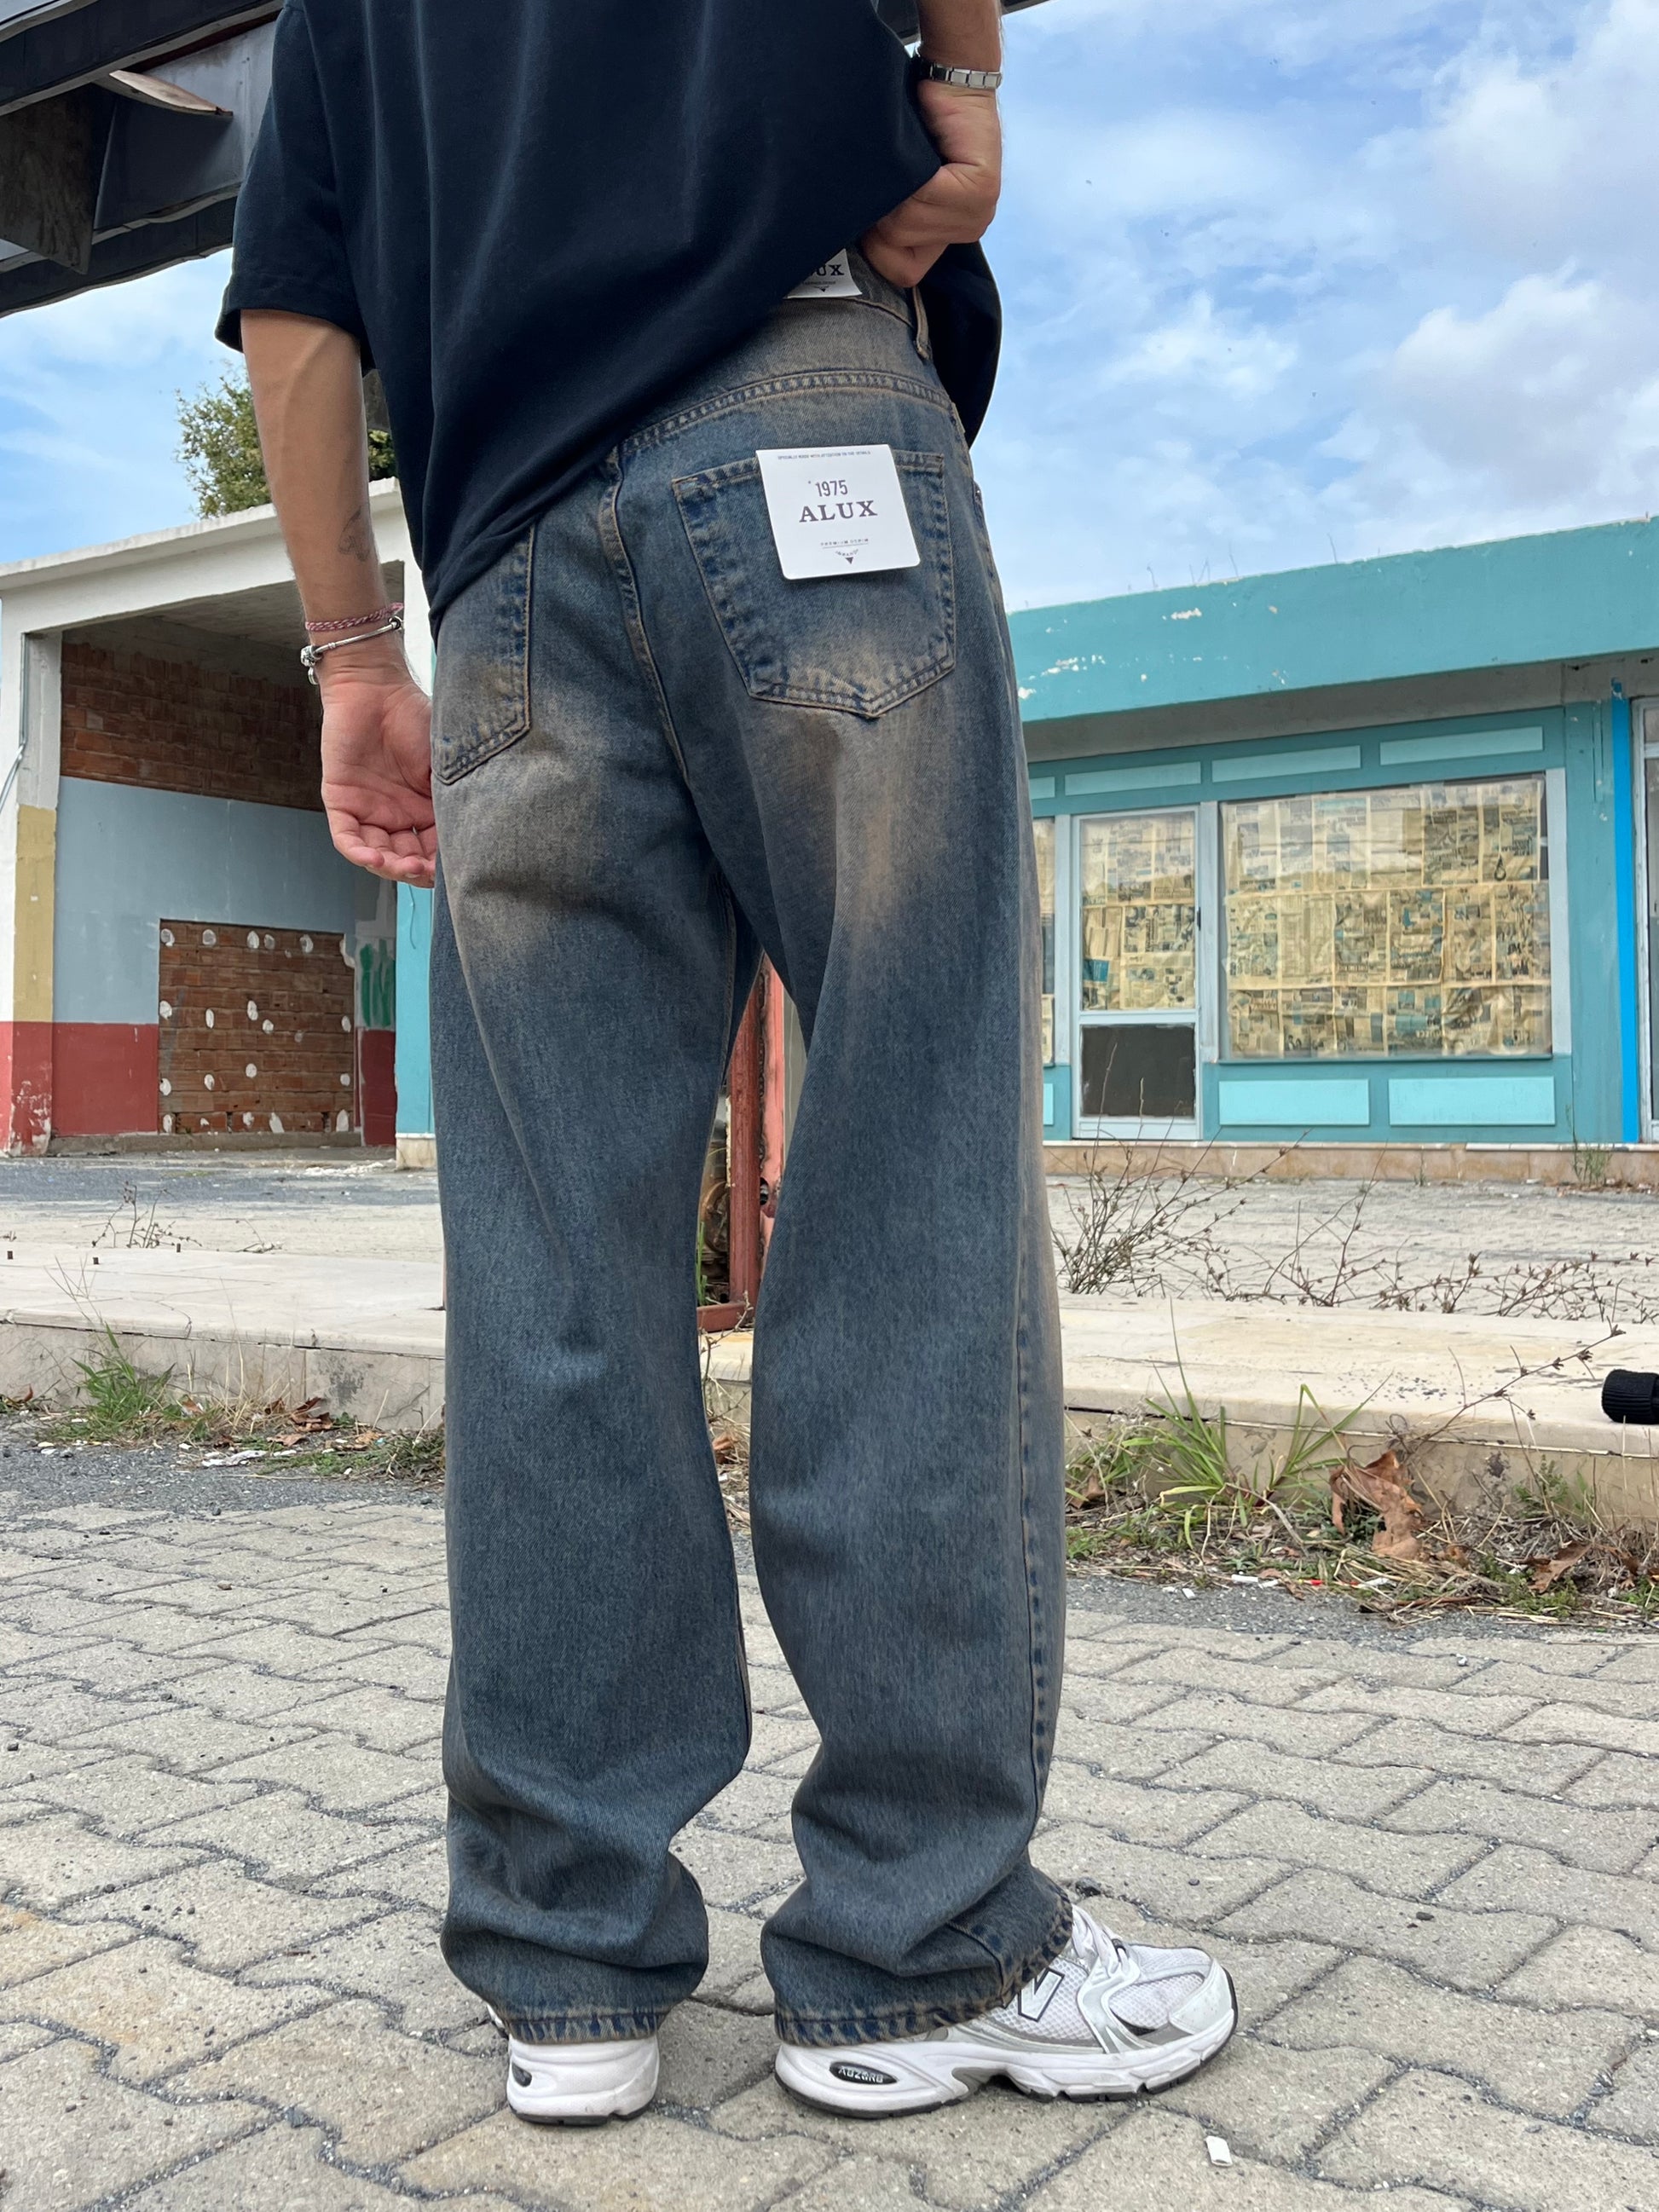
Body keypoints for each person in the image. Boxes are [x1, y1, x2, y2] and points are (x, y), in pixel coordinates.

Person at [224, 0, 1238, 2125]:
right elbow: (943, 80)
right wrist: (963, 85)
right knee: (911, 1179)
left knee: (549, 1275)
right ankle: (923, 1942)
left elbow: (299, 309)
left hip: (504, 565)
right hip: (797, 409)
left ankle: (569, 1966)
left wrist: (352, 653)